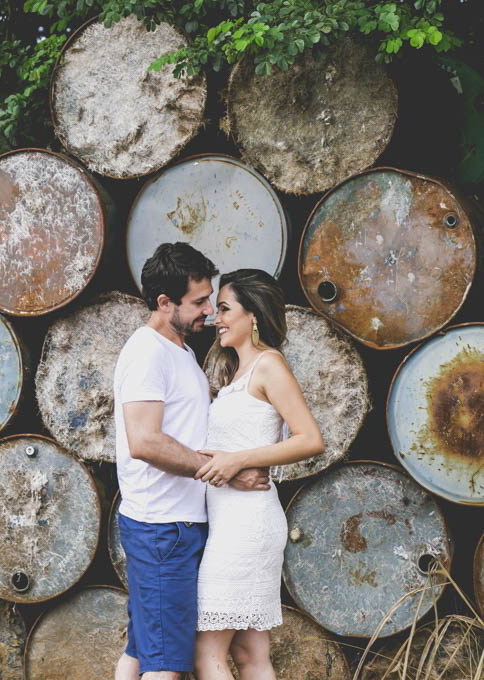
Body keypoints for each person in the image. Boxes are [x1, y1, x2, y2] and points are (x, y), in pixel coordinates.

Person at [113, 243, 271, 680]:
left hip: (174, 525)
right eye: (199, 302)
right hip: (163, 529)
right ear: (165, 302)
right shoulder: (147, 352)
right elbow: (144, 441)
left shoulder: (178, 350)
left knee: (142, 649)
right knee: (167, 667)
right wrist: (225, 471)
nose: (209, 310)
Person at [192, 268, 324, 680]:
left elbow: (310, 439)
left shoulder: (269, 365)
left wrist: (238, 460)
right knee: (250, 653)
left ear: (253, 315)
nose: (216, 318)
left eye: (224, 309)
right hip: (235, 522)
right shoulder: (236, 374)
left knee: (206, 654)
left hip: (246, 527)